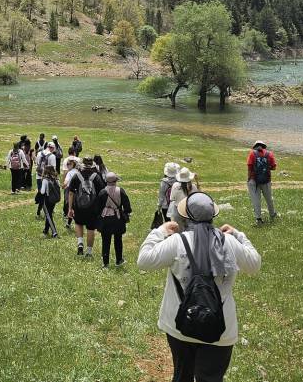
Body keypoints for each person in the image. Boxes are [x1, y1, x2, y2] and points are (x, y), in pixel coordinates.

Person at [137, 192, 261, 382]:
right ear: (213, 216)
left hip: (179, 325)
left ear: (186, 217)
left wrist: (159, 231)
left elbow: (144, 260)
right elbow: (254, 265)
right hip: (220, 328)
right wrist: (239, 235)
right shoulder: (229, 242)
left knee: (181, 377)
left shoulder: (177, 241)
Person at [68, 157, 106, 257]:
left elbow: (71, 193)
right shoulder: (96, 177)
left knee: (78, 223)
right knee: (90, 228)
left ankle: (80, 243)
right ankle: (89, 252)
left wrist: (70, 208)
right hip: (92, 207)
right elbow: (102, 193)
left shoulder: (76, 176)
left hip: (79, 206)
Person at [97, 172, 132, 267]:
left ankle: (105, 263)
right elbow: (128, 207)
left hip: (105, 219)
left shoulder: (102, 192)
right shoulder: (121, 191)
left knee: (105, 241)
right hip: (118, 218)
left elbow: (98, 208)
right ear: (115, 181)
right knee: (118, 240)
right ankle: (119, 260)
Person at [246, 141, 278, 224]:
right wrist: (266, 168)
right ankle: (272, 214)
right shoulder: (269, 154)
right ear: (264, 146)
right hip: (266, 180)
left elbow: (249, 167)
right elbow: (274, 167)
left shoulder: (252, 153)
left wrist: (249, 179)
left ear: (255, 146)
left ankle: (258, 218)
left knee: (256, 200)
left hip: (254, 180)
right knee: (269, 199)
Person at [152, 163, 180, 230]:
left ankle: (169, 234)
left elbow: (161, 196)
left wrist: (159, 206)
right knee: (176, 222)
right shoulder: (178, 181)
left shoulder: (164, 182)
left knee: (168, 223)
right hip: (176, 204)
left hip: (165, 206)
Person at [41, 165, 62, 238]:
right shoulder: (56, 179)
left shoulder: (45, 180)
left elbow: (42, 192)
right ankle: (46, 230)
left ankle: (54, 232)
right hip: (54, 199)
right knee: (49, 214)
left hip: (47, 199)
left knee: (48, 215)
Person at [62, 156, 80, 229]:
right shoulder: (78, 172)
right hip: (78, 191)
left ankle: (70, 223)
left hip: (70, 190)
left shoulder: (70, 173)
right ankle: (73, 222)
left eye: (69, 164)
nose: (67, 165)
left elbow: (66, 182)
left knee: (70, 206)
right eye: (67, 164)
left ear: (73, 165)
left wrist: (63, 186)